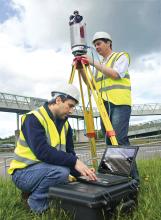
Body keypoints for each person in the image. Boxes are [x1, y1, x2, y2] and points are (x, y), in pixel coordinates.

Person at [8, 83, 97, 214]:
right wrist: (74, 162)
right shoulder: (33, 118)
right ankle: (35, 204)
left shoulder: (66, 126)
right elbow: (42, 152)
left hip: (45, 170)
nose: (72, 111)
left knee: (66, 173)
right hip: (22, 173)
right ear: (58, 100)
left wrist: (83, 173)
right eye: (70, 106)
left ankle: (34, 194)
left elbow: (69, 155)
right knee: (61, 173)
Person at [81, 31, 139, 182]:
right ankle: (118, 179)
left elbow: (115, 74)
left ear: (108, 43)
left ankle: (134, 181)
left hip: (119, 104)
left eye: (99, 43)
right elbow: (90, 85)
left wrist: (93, 62)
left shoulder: (121, 56)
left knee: (119, 140)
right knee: (110, 143)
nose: (97, 47)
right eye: (95, 45)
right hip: (104, 106)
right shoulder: (100, 65)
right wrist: (81, 68)